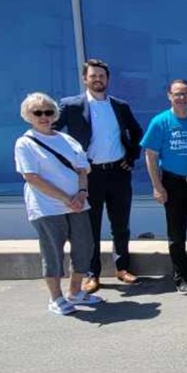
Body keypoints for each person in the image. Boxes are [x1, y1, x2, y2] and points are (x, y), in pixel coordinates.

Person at [54, 58, 143, 294]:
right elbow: (51, 134)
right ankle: (92, 274)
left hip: (117, 173)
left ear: (108, 79)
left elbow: (136, 132)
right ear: (85, 78)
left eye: (102, 76)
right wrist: (69, 164)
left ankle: (122, 268)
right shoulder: (71, 106)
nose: (98, 80)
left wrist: (130, 157)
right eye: (93, 76)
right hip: (89, 176)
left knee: (120, 224)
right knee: (90, 227)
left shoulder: (120, 106)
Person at [15, 92, 100, 315]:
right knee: (52, 252)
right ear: (28, 115)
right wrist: (65, 199)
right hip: (47, 207)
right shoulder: (25, 143)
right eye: (38, 112)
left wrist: (81, 193)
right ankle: (56, 297)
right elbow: (32, 177)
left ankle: (75, 291)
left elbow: (82, 169)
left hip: (78, 204)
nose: (44, 116)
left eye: (48, 111)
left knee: (84, 247)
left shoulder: (67, 140)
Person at [142, 80, 187, 294]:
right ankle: (181, 277)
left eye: (185, 93)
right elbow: (151, 157)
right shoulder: (160, 122)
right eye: (177, 94)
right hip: (173, 183)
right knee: (177, 234)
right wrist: (157, 187)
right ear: (169, 96)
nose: (181, 98)